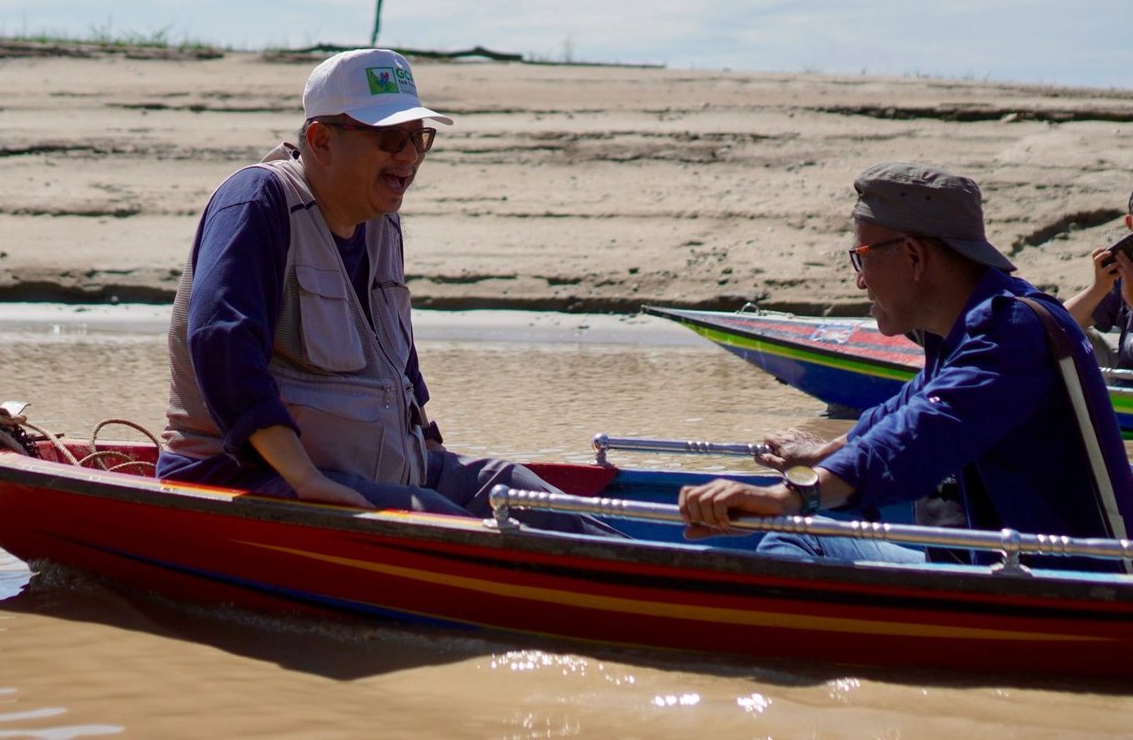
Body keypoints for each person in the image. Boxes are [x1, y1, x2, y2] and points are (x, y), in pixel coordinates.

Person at [157, 48, 618, 536]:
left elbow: (401, 372)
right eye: (391, 138)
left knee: (513, 486)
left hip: (381, 472)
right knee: (445, 520)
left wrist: (432, 455)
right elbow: (222, 344)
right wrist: (306, 478)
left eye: (418, 138)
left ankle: (640, 568)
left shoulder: (381, 220)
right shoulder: (257, 201)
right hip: (253, 477)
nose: (410, 156)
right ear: (321, 140)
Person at [678, 162, 1133, 569]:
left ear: (914, 256)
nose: (859, 280)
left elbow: (927, 428)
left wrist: (793, 495)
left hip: (1070, 581)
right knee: (796, 538)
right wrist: (825, 454)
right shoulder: (970, 327)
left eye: (861, 258)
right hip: (997, 564)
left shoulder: (1012, 329)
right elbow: (907, 408)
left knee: (792, 535)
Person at [1063, 187, 1133, 370]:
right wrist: (1099, 288)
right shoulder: (1125, 274)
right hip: (1123, 380)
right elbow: (1053, 324)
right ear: (1130, 224)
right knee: (1066, 335)